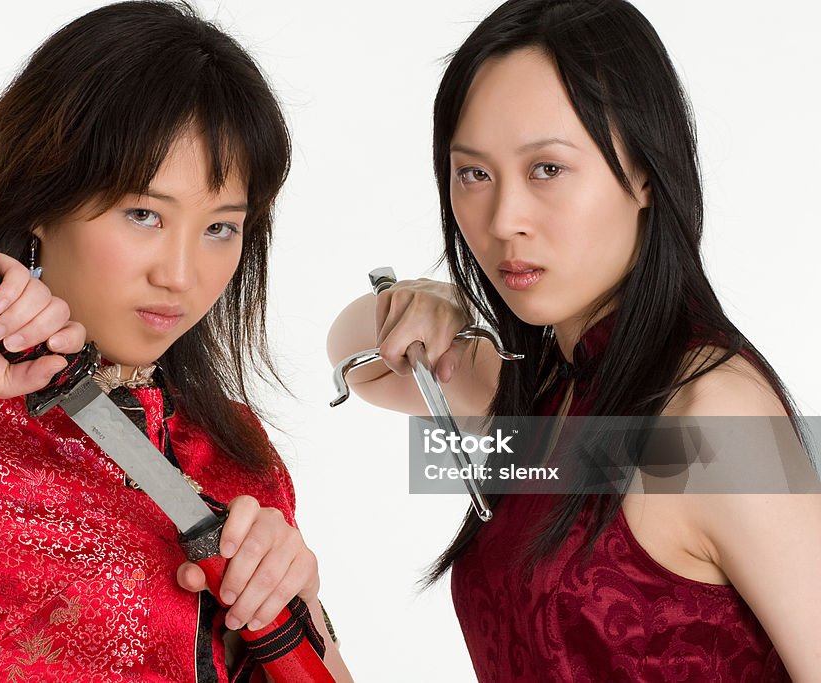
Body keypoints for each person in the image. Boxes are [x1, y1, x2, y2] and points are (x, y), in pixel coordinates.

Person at [0, 2, 351, 681]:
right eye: (144, 214)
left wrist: (298, 605)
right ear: (40, 202)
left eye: (219, 228)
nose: (180, 275)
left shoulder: (240, 448)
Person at [328, 0, 820, 680]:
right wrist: (429, 299)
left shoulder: (717, 417)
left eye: (547, 169)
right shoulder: (547, 387)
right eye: (474, 173)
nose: (504, 220)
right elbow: (360, 361)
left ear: (645, 171)